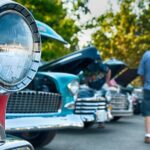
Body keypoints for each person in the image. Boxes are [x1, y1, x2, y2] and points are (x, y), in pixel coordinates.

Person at [80, 61, 112, 128]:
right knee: (90, 100)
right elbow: (86, 77)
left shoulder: (98, 64)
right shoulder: (84, 67)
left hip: (101, 86)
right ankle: (88, 119)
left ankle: (101, 122)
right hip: (91, 87)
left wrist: (107, 82)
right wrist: (87, 84)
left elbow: (108, 70)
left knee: (102, 102)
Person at [138, 50, 150, 143]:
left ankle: (148, 135)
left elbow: (141, 73)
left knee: (148, 112)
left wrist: (144, 84)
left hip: (148, 88)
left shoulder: (146, 55)